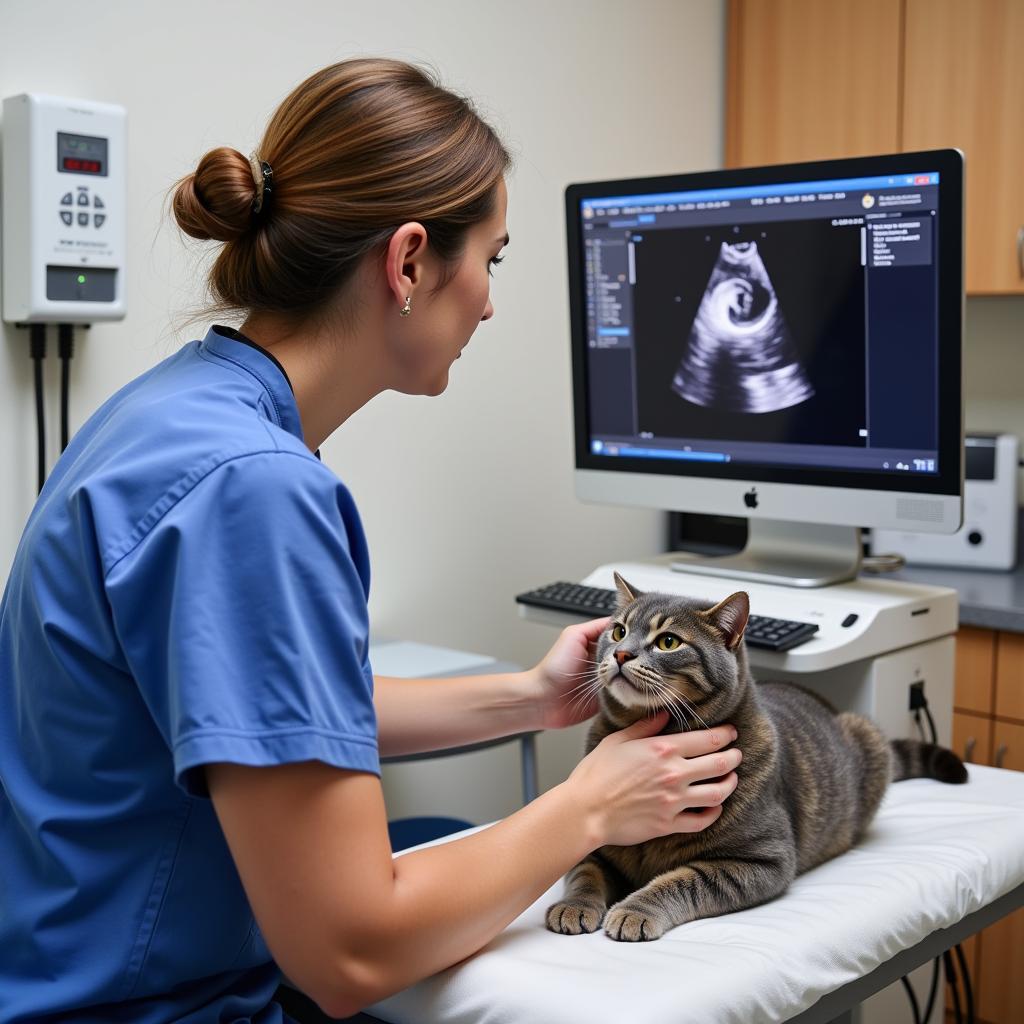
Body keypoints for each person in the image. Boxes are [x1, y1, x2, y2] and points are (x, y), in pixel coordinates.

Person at [0, 58, 742, 1023]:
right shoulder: (254, 493)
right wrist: (590, 807)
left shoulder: (173, 410)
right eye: (493, 260)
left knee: (440, 835)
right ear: (407, 263)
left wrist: (530, 699)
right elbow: (349, 952)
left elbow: (268, 711)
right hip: (143, 1004)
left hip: (55, 949)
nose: (488, 300)